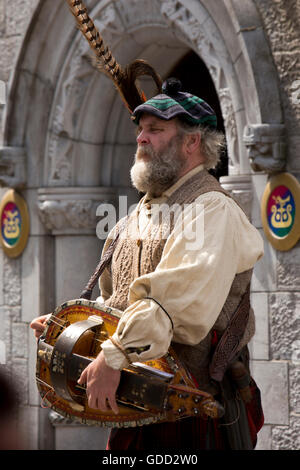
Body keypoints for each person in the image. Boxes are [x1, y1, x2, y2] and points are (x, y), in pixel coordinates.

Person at [31, 78, 264, 450]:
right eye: (141, 129)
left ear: (192, 142)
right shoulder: (132, 217)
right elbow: (116, 308)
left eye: (156, 130)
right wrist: (74, 330)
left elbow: (173, 307)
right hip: (135, 407)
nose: (141, 138)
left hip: (194, 410)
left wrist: (114, 355)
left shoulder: (212, 209)